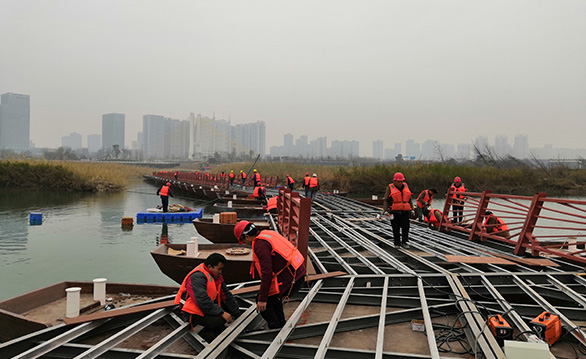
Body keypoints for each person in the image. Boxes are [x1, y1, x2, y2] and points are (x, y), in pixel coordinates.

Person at [234, 221, 306, 329]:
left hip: (293, 277)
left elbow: (267, 273)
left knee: (264, 303)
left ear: (247, 236)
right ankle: (281, 324)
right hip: (297, 272)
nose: (245, 243)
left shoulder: (260, 245)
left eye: (244, 241)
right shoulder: (267, 233)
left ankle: (275, 328)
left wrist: (262, 299)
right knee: (273, 298)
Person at [174, 253, 241, 342]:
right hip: (191, 311)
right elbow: (202, 301)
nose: (221, 272)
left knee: (229, 309)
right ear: (210, 267)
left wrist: (237, 313)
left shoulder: (216, 276)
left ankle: (214, 331)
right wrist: (221, 313)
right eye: (219, 269)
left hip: (204, 306)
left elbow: (226, 295)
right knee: (219, 320)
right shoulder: (197, 277)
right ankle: (205, 336)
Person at [383, 172, 414, 248]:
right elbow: (386, 200)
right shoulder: (390, 188)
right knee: (395, 228)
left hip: (405, 211)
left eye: (401, 181)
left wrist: (412, 208)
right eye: (398, 181)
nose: (400, 183)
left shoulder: (406, 187)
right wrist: (385, 210)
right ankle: (397, 243)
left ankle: (404, 242)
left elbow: (409, 199)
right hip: (394, 212)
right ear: (395, 181)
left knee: (406, 227)